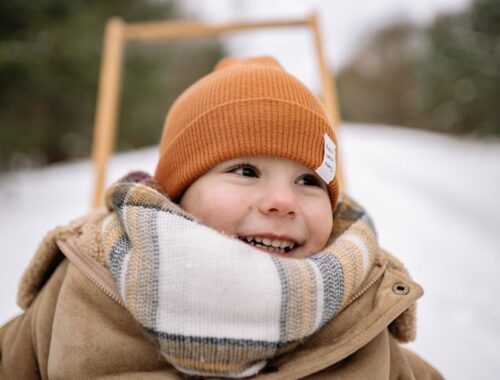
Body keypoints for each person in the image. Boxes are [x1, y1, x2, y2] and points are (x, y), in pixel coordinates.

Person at [0, 56, 442, 379]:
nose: (282, 201)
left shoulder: (358, 308)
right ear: (177, 195)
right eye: (245, 171)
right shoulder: (90, 278)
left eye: (308, 181)